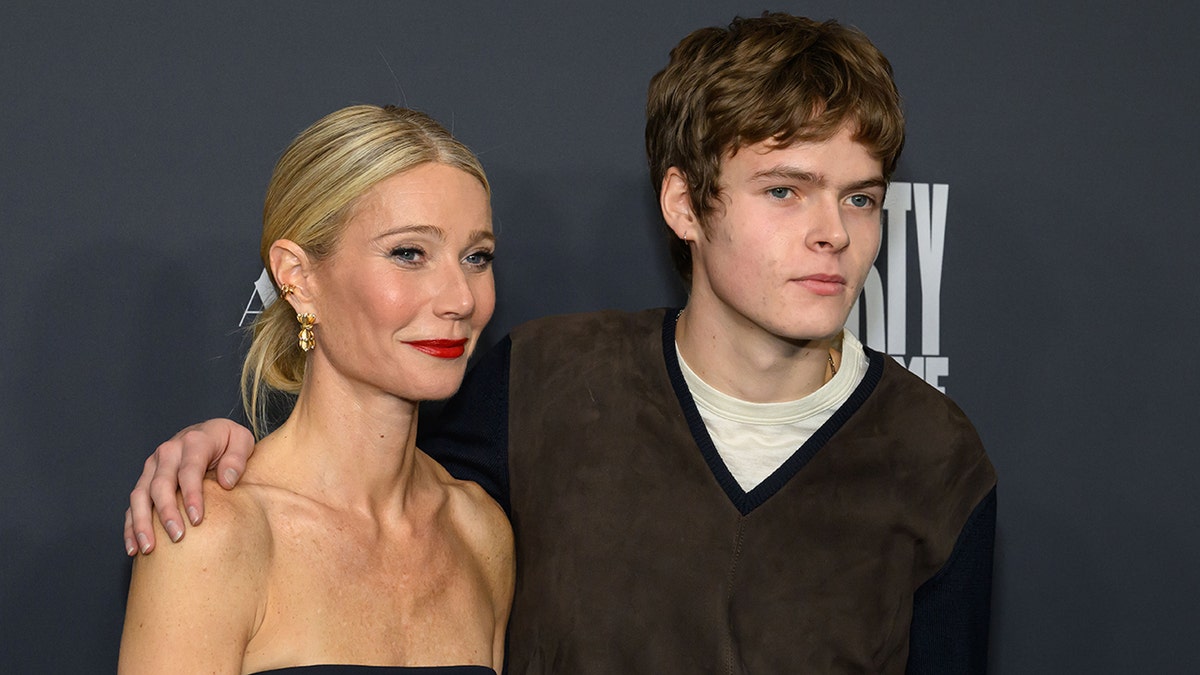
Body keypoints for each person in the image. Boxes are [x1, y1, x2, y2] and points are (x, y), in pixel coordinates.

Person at [125, 14, 996, 674]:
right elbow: (336, 458)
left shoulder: (936, 457)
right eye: (783, 190)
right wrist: (218, 451)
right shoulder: (537, 389)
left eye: (860, 198)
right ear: (685, 205)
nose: (832, 234)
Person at [118, 105, 514, 674]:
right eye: (409, 253)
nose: (460, 298)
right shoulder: (213, 534)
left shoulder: (480, 533)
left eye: (477, 257)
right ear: (299, 279)